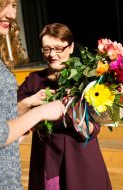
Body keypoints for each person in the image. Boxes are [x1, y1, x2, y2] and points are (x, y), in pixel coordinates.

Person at [0, 1, 65, 190]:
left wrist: (22, 108)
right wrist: (40, 113)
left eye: (14, 5)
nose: (12, 14)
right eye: (2, 4)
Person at [17, 23, 112, 190]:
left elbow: (92, 130)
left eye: (58, 48)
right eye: (46, 49)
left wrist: (73, 108)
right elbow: (11, 116)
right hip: (47, 159)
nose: (52, 54)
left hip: (80, 159)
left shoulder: (86, 80)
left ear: (71, 47)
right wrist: (29, 102)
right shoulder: (33, 80)